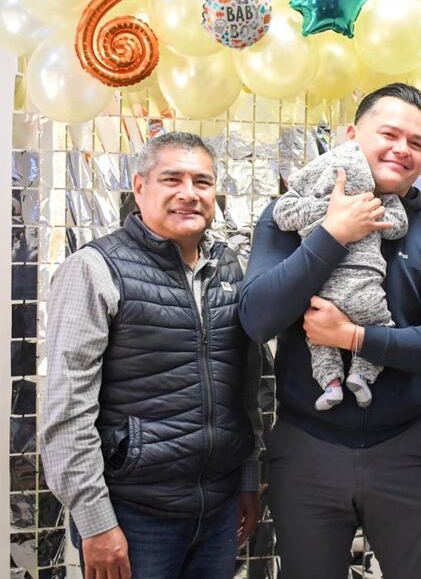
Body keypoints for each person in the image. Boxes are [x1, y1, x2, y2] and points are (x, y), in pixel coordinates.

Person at [240, 83, 421, 579]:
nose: (402, 149)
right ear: (351, 135)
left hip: (403, 449)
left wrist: (354, 338)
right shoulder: (291, 216)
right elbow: (258, 318)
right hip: (307, 447)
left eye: (416, 142)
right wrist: (332, 234)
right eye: (389, 134)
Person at [41, 132, 263, 579]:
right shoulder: (95, 269)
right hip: (132, 515)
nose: (189, 193)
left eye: (202, 181)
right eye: (172, 179)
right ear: (140, 187)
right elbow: (67, 411)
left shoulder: (229, 267)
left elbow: (244, 387)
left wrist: (246, 479)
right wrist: (96, 523)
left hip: (218, 511)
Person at [272, 140, 409, 410]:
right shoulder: (372, 202)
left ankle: (331, 384)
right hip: (365, 287)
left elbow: (281, 215)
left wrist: (323, 208)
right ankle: (361, 375)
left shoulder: (311, 202)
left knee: (318, 339)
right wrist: (364, 210)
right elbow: (398, 227)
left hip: (322, 293)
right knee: (379, 329)